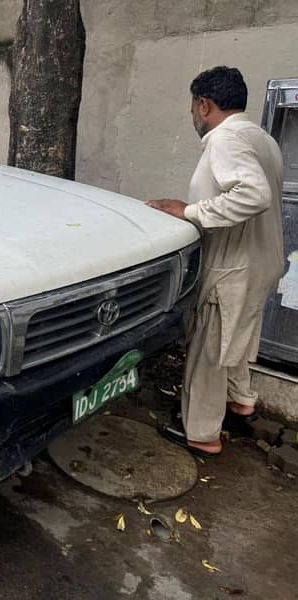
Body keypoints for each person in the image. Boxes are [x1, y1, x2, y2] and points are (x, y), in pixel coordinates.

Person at [146, 66, 284, 457]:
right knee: (236, 336)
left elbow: (254, 195)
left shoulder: (224, 138)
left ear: (204, 104)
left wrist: (191, 211)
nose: (193, 116)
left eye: (193, 107)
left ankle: (201, 433)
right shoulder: (262, 139)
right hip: (264, 261)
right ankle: (241, 401)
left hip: (233, 264)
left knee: (211, 345)